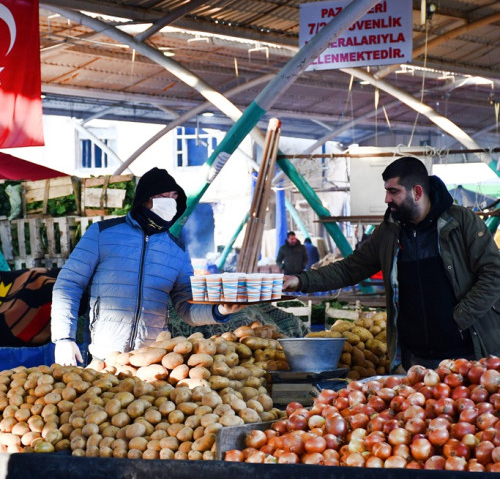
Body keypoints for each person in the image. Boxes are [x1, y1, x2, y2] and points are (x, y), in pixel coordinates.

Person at [284, 157, 500, 370]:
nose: (386, 199)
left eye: (393, 191)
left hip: (468, 356)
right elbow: (350, 269)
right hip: (417, 361)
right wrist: (301, 280)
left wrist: (459, 319)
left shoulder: (461, 222)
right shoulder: (389, 232)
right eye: (386, 190)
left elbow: (494, 274)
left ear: (417, 192)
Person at [51, 167, 241, 366]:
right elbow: (68, 284)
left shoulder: (177, 250)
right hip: (105, 359)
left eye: (174, 196)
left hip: (153, 362)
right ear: (144, 199)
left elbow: (186, 307)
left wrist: (220, 310)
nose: (170, 202)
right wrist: (64, 338)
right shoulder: (103, 233)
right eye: (162, 196)